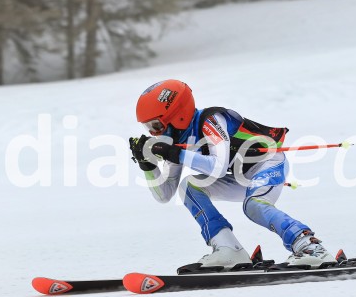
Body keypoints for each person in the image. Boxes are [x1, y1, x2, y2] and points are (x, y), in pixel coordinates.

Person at [129, 79, 334, 270]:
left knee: (254, 205)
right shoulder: (175, 141)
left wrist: (176, 154)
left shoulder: (211, 120)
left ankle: (309, 245)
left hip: (268, 163)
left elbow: (217, 166)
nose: (153, 134)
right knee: (189, 187)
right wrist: (148, 166)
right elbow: (164, 195)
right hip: (242, 176)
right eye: (148, 128)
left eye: (156, 125)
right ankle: (228, 249)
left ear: (177, 115)